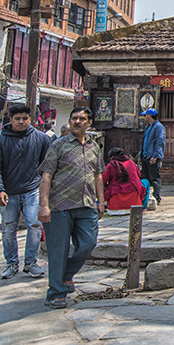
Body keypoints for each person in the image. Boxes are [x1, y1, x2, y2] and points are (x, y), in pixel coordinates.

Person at [38, 107, 104, 309]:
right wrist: (44, 206)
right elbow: (46, 176)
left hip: (86, 205)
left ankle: (66, 275)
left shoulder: (94, 147)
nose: (77, 122)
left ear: (89, 123)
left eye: (82, 119)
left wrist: (101, 201)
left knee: (88, 243)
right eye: (74, 118)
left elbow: (98, 175)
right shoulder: (58, 146)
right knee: (58, 250)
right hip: (59, 206)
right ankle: (56, 293)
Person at [0, 104, 51, 280]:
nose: (21, 122)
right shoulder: (1, 140)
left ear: (30, 119)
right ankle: (11, 263)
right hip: (9, 191)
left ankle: (30, 262)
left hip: (32, 189)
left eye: (25, 118)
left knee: (34, 225)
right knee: (8, 228)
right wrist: (0, 189)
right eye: (17, 119)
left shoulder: (41, 139)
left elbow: (47, 168)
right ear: (10, 119)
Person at [101, 148, 147, 214]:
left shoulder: (111, 165)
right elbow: (138, 175)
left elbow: (103, 180)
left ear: (112, 157)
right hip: (134, 203)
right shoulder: (131, 163)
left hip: (115, 206)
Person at [140, 108, 165, 209]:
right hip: (145, 155)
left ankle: (156, 197)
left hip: (153, 156)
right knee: (145, 178)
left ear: (150, 116)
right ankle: (146, 197)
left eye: (145, 115)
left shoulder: (158, 127)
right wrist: (141, 155)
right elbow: (145, 142)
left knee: (154, 178)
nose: (144, 117)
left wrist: (155, 155)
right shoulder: (148, 127)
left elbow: (160, 142)